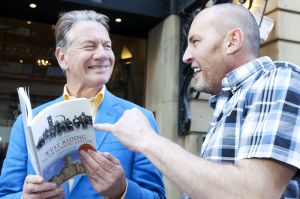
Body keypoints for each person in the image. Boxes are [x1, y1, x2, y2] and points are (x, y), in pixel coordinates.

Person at [92, 3, 300, 199]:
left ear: (233, 41)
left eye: (195, 42)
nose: (186, 56)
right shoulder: (229, 101)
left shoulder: (279, 78)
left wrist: (147, 140)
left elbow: (253, 193)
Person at [0, 10, 165, 199]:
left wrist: (123, 190)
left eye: (107, 45)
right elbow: (6, 193)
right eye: (90, 46)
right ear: (62, 58)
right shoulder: (26, 123)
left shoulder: (139, 118)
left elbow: (157, 196)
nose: (103, 54)